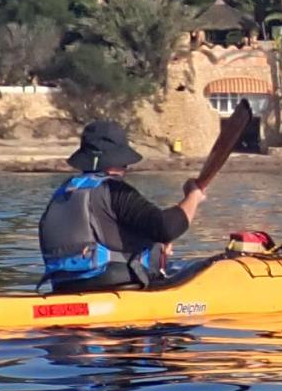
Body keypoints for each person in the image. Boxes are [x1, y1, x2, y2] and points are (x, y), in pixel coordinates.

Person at [39, 119, 206, 291]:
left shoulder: (63, 192)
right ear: (118, 161)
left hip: (64, 286)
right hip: (114, 284)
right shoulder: (114, 189)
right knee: (199, 267)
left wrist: (157, 244)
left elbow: (104, 231)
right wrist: (193, 196)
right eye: (125, 163)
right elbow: (166, 227)